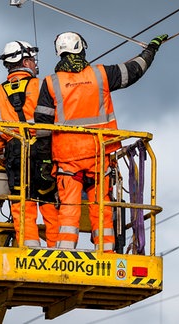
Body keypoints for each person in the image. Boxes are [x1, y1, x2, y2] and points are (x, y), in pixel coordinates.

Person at [34, 32, 168, 252]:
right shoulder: (101, 75)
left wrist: (44, 161)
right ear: (82, 48)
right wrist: (151, 49)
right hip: (99, 156)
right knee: (102, 208)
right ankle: (106, 253)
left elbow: (42, 128)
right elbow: (134, 70)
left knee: (68, 209)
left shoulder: (51, 83)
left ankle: (65, 253)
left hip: (68, 161)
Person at [0, 40, 59, 248]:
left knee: (21, 204)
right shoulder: (43, 86)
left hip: (15, 153)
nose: (35, 65)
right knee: (50, 202)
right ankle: (57, 248)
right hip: (44, 150)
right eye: (33, 61)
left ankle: (29, 248)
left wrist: (4, 156)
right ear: (25, 61)